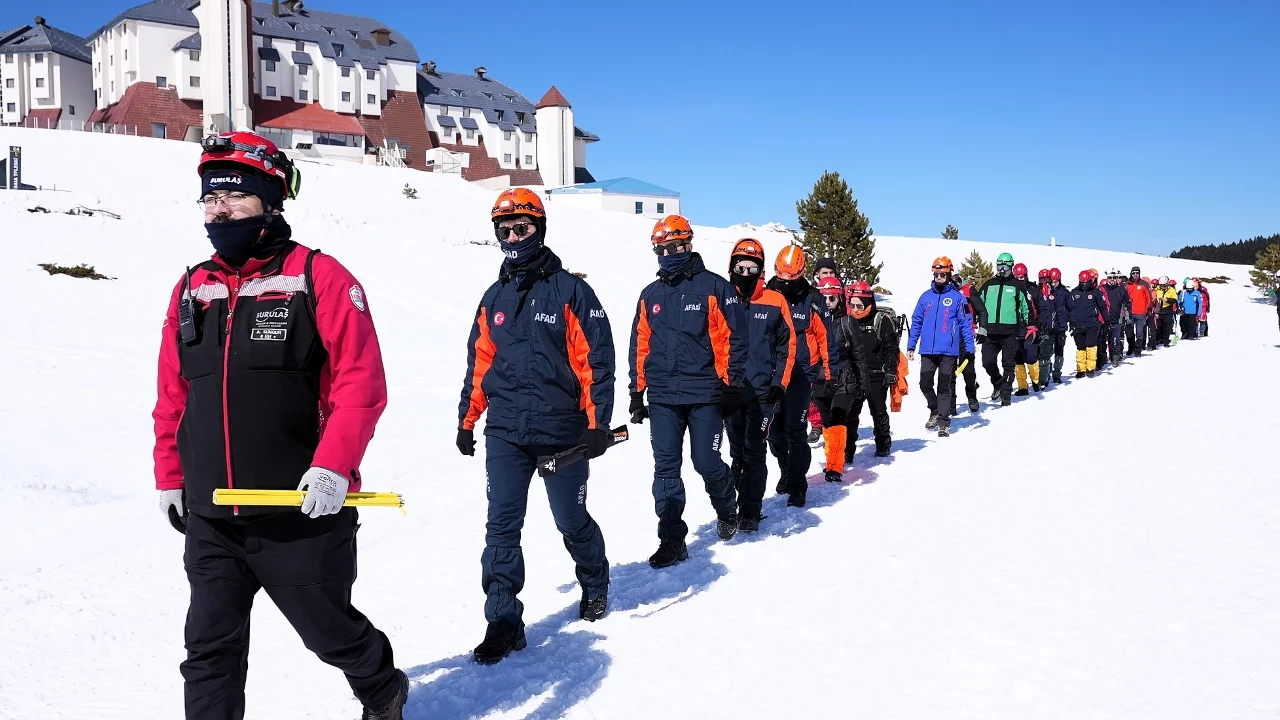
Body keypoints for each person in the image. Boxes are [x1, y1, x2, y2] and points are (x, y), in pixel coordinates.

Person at [152, 131, 408, 719]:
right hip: (213, 515)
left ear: (272, 201)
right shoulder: (192, 289)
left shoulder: (320, 277)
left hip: (298, 509)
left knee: (330, 634)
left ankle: (382, 686)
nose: (219, 210)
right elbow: (172, 395)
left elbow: (361, 384)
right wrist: (170, 475)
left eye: (234, 196)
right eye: (210, 198)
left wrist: (333, 467)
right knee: (208, 652)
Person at [458, 188, 614, 663]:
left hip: (561, 433)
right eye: (503, 230)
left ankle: (595, 580)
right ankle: (504, 623)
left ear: (539, 230)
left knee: (570, 520)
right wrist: (467, 419)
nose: (512, 237)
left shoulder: (571, 292)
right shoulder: (494, 297)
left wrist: (597, 424)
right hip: (506, 433)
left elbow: (596, 363)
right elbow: (481, 363)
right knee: (501, 529)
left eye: (521, 228)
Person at [629, 215, 748, 567]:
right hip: (663, 396)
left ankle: (727, 507)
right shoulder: (650, 295)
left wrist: (731, 385)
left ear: (687, 245)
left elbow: (734, 339)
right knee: (666, 470)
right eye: (660, 250)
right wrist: (637, 391)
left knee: (706, 461)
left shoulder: (715, 288)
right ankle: (672, 540)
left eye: (672, 247)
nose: (666, 255)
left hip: (705, 393)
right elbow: (640, 344)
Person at [723, 239, 795, 533]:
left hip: (763, 393)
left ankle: (750, 511)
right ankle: (731, 507)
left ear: (761, 270)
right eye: (740, 267)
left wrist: (780, 383)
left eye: (752, 268)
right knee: (736, 452)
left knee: (755, 450)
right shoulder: (722, 297)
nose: (745, 273)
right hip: (729, 391)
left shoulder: (775, 301)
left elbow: (787, 346)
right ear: (731, 267)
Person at [766, 245, 836, 508]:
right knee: (773, 431)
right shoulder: (767, 293)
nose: (786, 283)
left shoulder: (813, 299)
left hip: (800, 374)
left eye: (791, 278)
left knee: (795, 430)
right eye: (782, 277)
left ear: (801, 273)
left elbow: (826, 337)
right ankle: (786, 468)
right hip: (772, 374)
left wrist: (828, 373)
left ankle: (798, 484)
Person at [906, 257, 975, 437]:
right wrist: (911, 345)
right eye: (936, 274)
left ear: (949, 274)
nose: (938, 277)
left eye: (942, 274)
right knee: (924, 384)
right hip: (927, 350)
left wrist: (970, 349)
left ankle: (944, 422)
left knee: (944, 386)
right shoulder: (925, 297)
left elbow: (966, 324)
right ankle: (934, 410)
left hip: (948, 351)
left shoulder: (958, 298)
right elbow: (917, 321)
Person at [811, 276, 870, 481]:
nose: (827, 302)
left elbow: (859, 354)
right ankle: (831, 460)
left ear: (839, 299)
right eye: (824, 297)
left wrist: (864, 383)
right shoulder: (811, 321)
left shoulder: (847, 322)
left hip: (844, 379)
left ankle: (835, 467)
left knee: (837, 420)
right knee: (827, 423)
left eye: (832, 298)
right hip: (820, 380)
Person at [847, 280, 901, 456]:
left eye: (859, 305)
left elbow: (891, 348)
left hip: (876, 375)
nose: (855, 309)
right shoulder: (847, 321)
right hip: (854, 375)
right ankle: (847, 450)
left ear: (868, 302)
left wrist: (890, 370)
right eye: (852, 305)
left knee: (878, 411)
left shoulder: (881, 321)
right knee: (850, 415)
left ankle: (883, 445)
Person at [976, 252, 1029, 406]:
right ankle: (998, 382)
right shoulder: (988, 285)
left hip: (1009, 333)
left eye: (1005, 267)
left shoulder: (1017, 285)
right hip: (990, 332)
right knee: (987, 362)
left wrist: (1030, 325)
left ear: (1011, 267)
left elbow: (1026, 307)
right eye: (1000, 266)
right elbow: (978, 306)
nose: (1002, 270)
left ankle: (1006, 394)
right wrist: (975, 323)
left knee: (1008, 365)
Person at [806, 257, 840, 448]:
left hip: (835, 348)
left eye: (831, 272)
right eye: (824, 272)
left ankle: (834, 424)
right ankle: (816, 424)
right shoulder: (809, 293)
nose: (827, 275)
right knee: (812, 391)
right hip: (813, 349)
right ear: (817, 274)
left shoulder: (840, 293)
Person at [1065, 269, 1108, 378]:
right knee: (1080, 347)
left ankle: (1090, 368)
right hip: (1077, 325)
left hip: (1091, 324)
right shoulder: (1074, 293)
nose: (1084, 285)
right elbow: (1069, 309)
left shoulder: (1096, 292)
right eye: (1082, 283)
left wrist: (1107, 320)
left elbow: (1102, 307)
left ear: (1090, 281)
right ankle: (1081, 369)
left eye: (1086, 283)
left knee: (1091, 345)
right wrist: (1071, 322)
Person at [952, 272, 983, 413]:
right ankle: (950, 403)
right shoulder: (944, 292)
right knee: (949, 370)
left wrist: (980, 328)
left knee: (967, 369)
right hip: (949, 335)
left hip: (966, 333)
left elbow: (981, 310)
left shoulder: (968, 290)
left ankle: (972, 397)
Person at [1030, 269, 1059, 390]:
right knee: (1037, 355)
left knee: (1046, 354)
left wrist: (1060, 325)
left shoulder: (1056, 293)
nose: (1044, 281)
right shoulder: (1036, 291)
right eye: (1042, 279)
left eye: (1047, 279)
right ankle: (1039, 378)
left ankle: (1044, 378)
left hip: (1051, 327)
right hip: (1039, 326)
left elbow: (1060, 310)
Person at [1102, 268, 1131, 367]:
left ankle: (1115, 357)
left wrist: (1127, 315)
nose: (1112, 280)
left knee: (1115, 340)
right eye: (1110, 277)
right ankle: (1103, 357)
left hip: (1117, 319)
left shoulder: (1121, 289)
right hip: (1104, 319)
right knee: (1102, 340)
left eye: (1114, 278)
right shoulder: (1101, 289)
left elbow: (1128, 303)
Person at [1048, 268, 1070, 382]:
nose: (1053, 284)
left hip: (1061, 326)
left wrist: (1069, 321)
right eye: (1051, 282)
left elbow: (1071, 308)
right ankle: (1046, 372)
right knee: (1047, 351)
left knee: (1059, 349)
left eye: (1055, 282)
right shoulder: (1046, 291)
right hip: (1049, 326)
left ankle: (1057, 373)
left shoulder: (1065, 293)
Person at [1125, 267, 1151, 356]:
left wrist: (1147, 309)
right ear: (1131, 274)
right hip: (1130, 312)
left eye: (1137, 273)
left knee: (1139, 333)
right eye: (1133, 273)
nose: (1135, 275)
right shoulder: (1127, 284)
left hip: (1141, 312)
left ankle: (1138, 349)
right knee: (1129, 332)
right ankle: (1131, 347)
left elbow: (1148, 297)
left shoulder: (1144, 284)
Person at [1154, 276, 1179, 346]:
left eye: (1164, 285)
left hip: (1167, 310)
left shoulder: (1172, 290)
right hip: (1158, 310)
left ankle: (1166, 341)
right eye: (1161, 285)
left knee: (1167, 327)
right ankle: (1159, 339)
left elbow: (1174, 300)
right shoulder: (1156, 289)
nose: (1163, 287)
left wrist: (1167, 300)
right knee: (1158, 326)